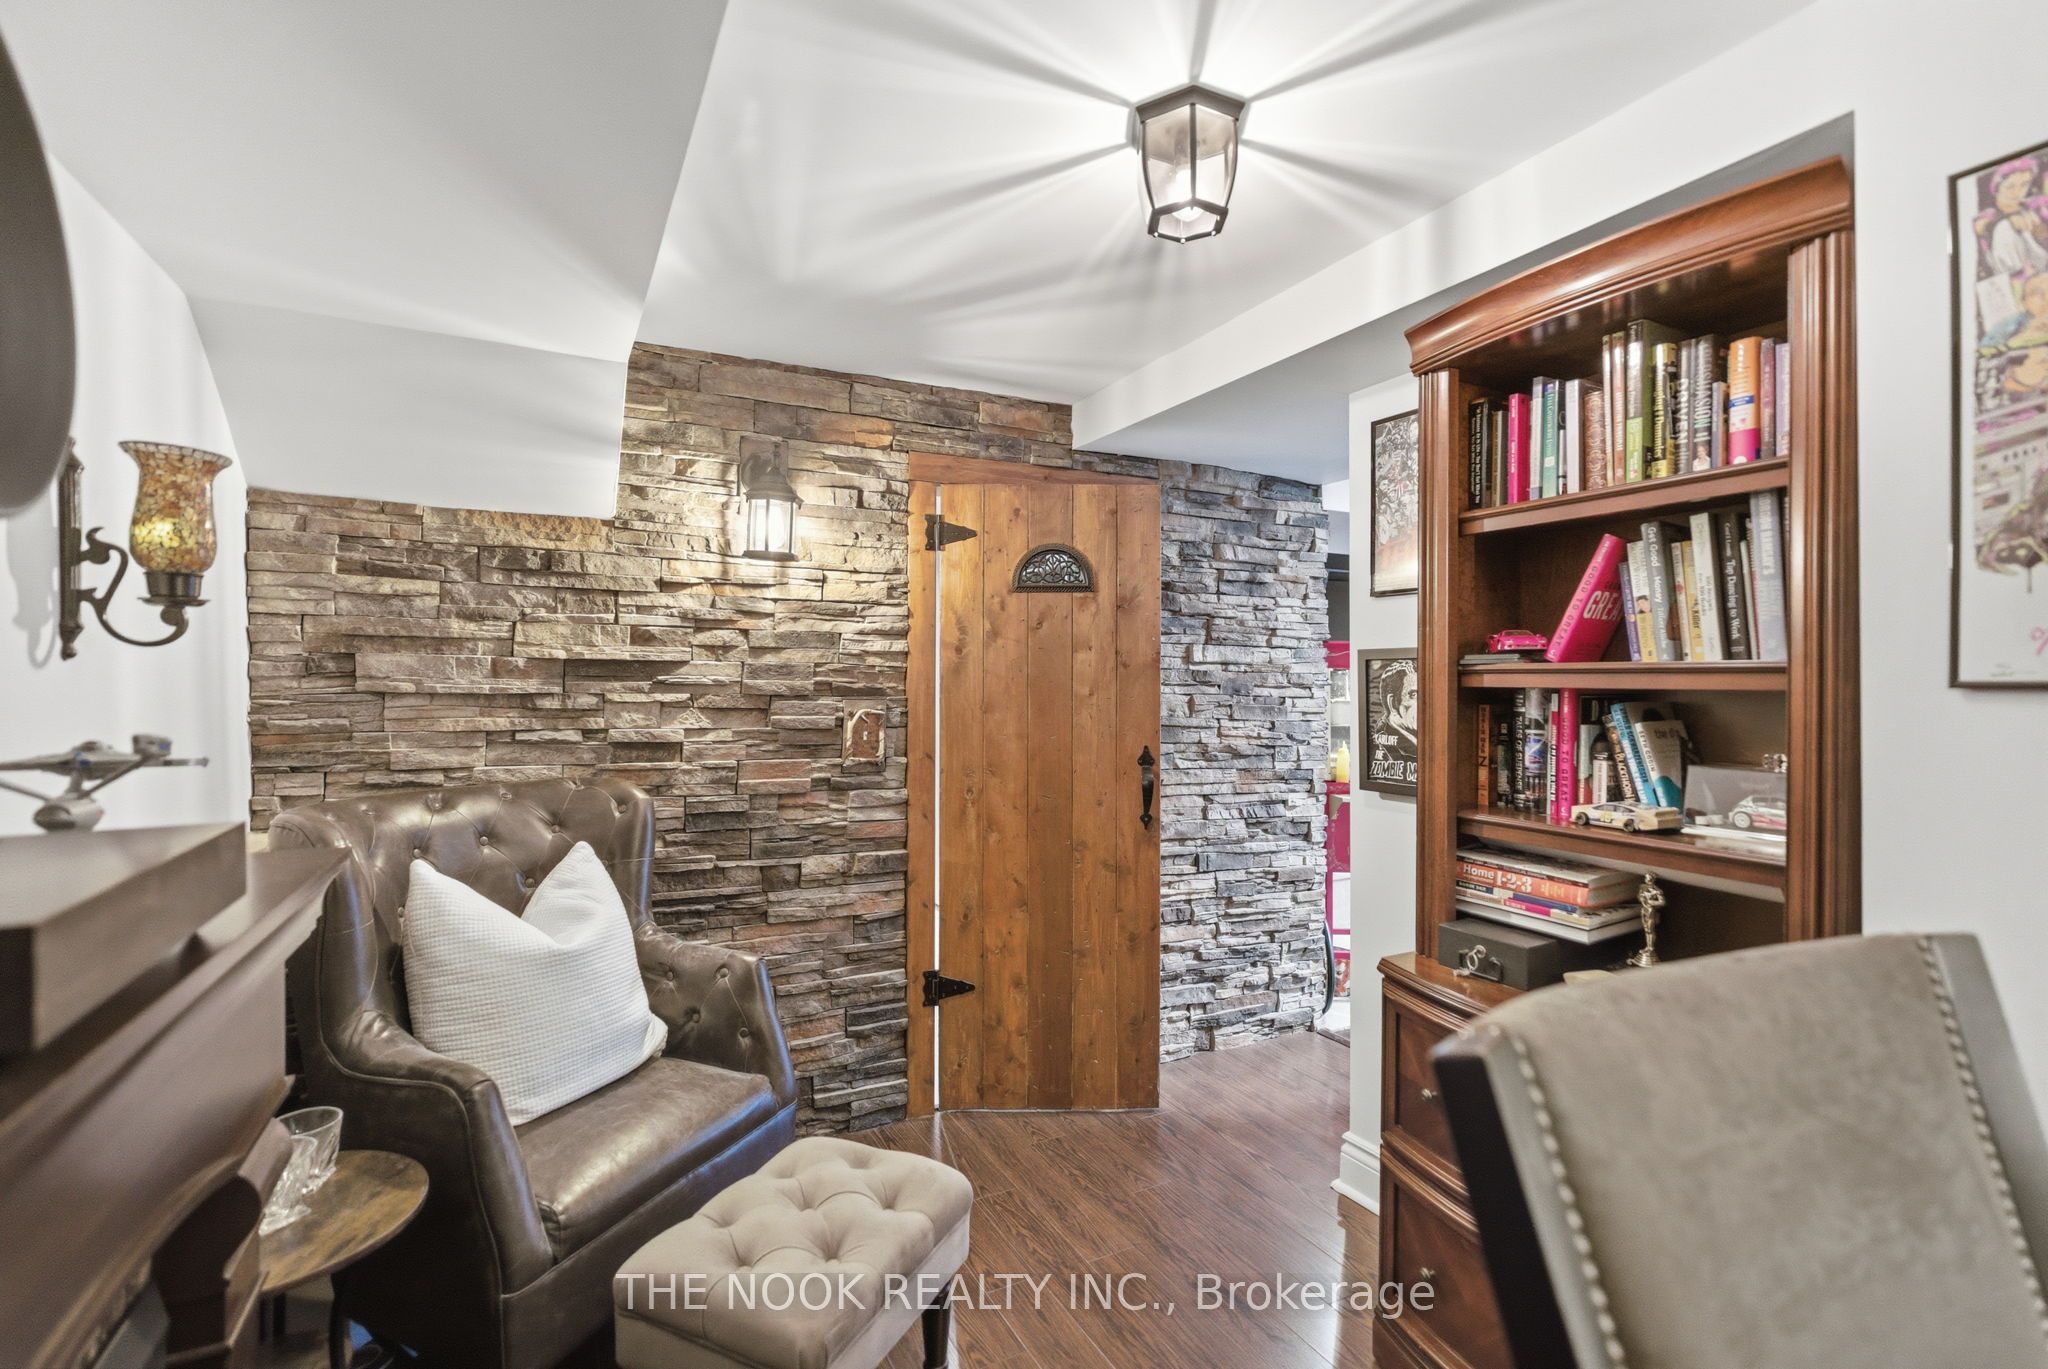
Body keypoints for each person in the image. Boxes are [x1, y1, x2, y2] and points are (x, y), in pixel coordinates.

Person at [1979, 157, 2048, 278]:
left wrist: (2041, 235)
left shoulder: (2035, 207)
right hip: (2017, 278)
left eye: (2024, 184)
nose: (2018, 192)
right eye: (2010, 186)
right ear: (1996, 187)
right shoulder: (1989, 218)